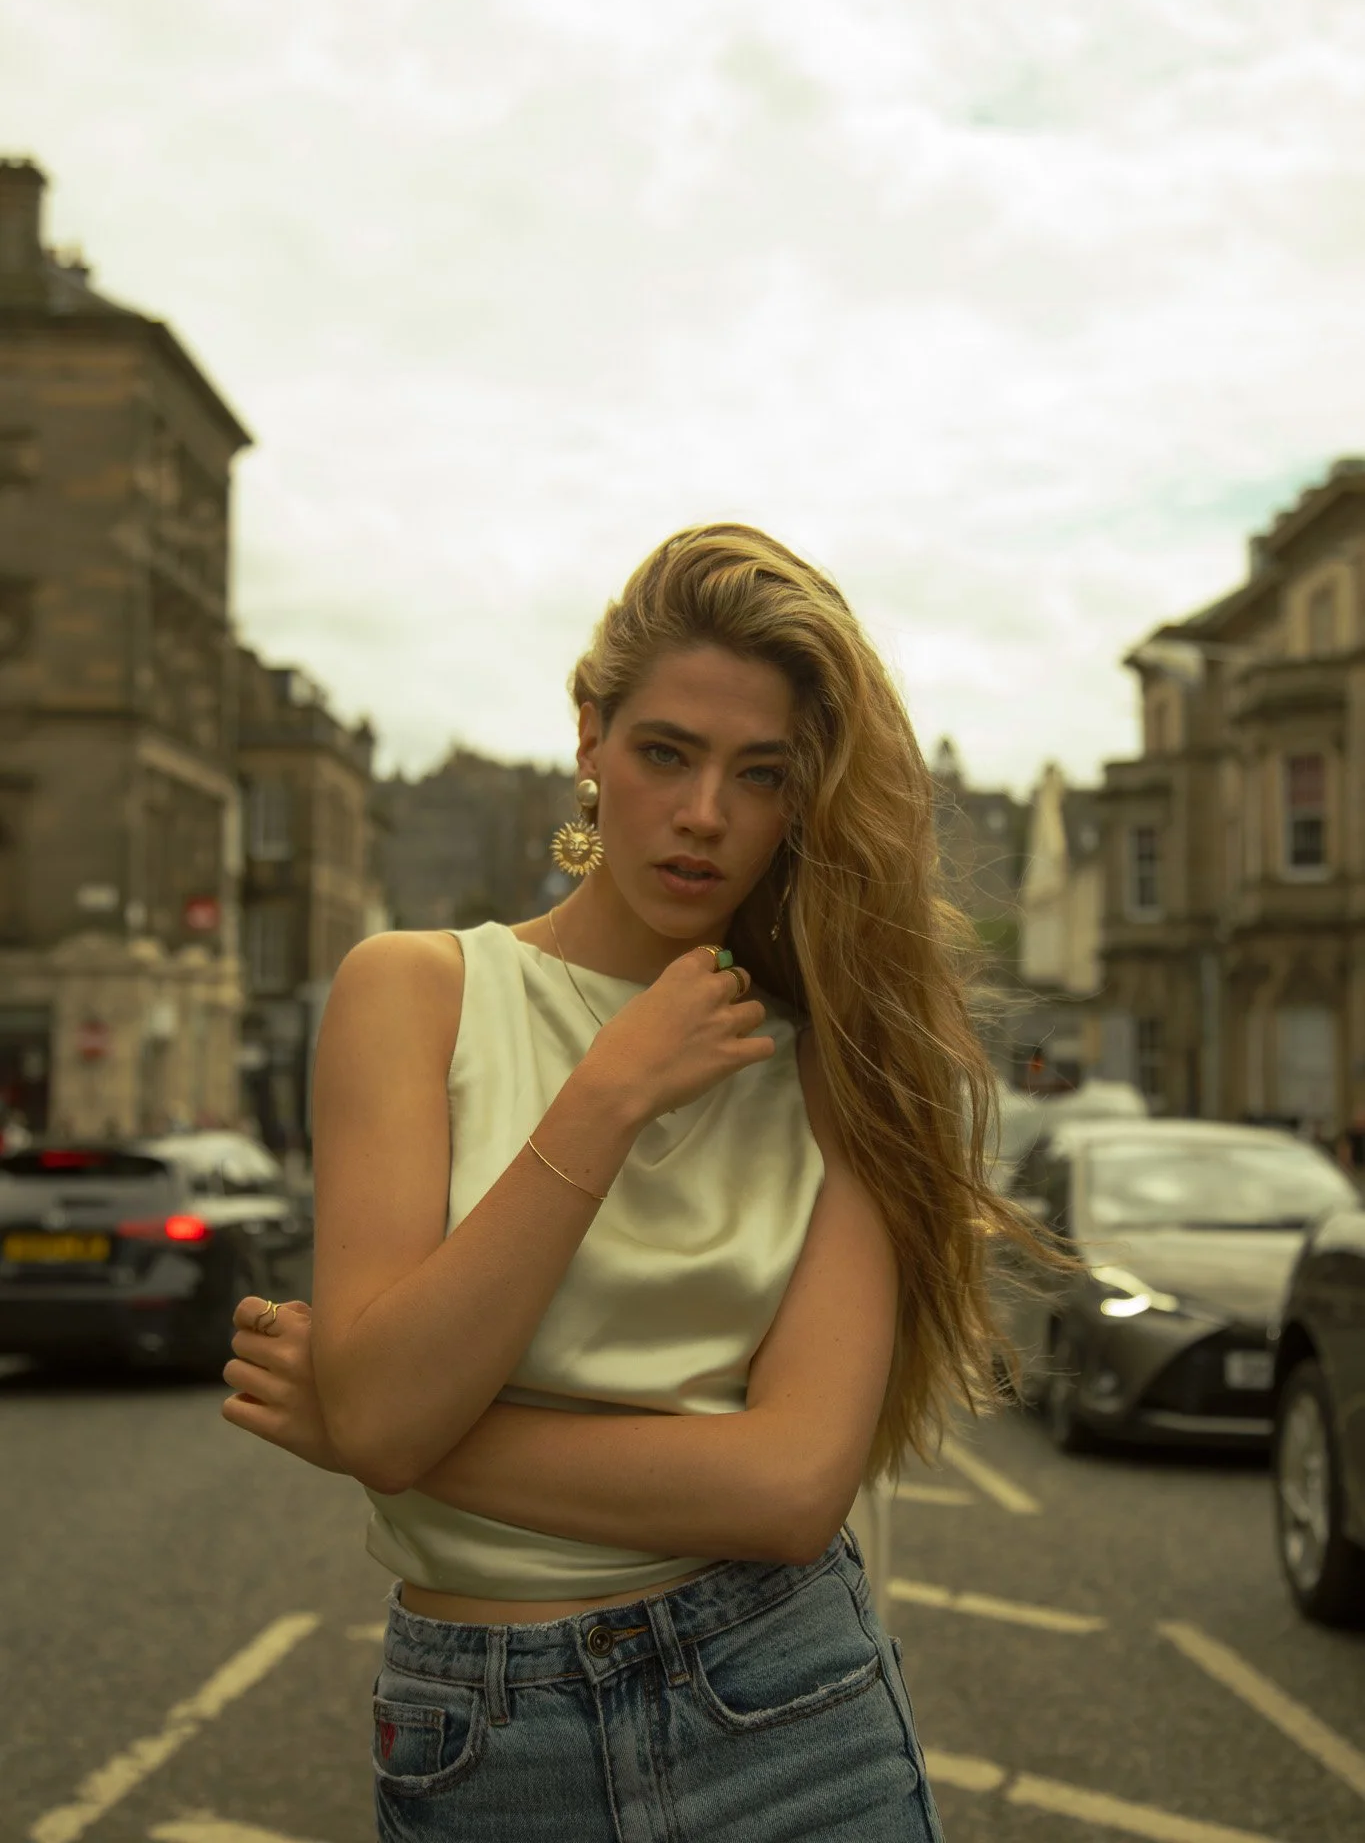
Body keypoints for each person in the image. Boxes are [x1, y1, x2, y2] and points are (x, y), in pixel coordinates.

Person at [222, 524, 1043, 1841]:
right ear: (591, 735)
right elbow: (390, 1410)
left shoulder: (845, 1062)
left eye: (759, 774)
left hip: (789, 1708)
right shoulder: (414, 992)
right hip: (486, 1737)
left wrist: (393, 1436)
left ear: (801, 801)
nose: (705, 813)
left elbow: (785, 1493)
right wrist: (607, 1095)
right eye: (666, 751)